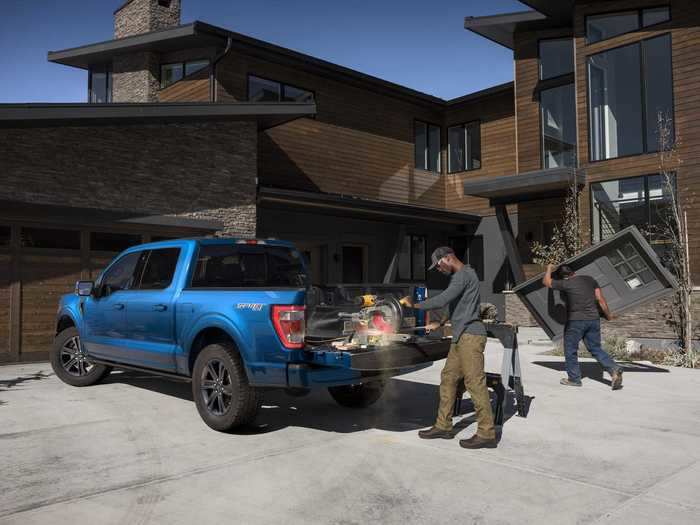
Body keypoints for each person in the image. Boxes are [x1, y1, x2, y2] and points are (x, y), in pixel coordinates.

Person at [401, 246, 497, 449]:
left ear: (448, 258)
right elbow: (454, 304)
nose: (437, 269)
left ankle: (486, 433)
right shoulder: (460, 277)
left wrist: (414, 305)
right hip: (460, 336)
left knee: (474, 382)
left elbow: (443, 299)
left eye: (438, 264)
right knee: (448, 378)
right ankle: (443, 426)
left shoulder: (463, 275)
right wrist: (441, 321)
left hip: (471, 336)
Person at [543, 264, 623, 390]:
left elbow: (546, 282)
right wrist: (609, 315)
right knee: (595, 348)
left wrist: (548, 269)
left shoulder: (566, 284)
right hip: (593, 319)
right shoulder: (590, 279)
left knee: (570, 350)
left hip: (576, 322)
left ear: (563, 277)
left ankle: (574, 379)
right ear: (573, 272)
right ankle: (614, 369)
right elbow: (601, 300)